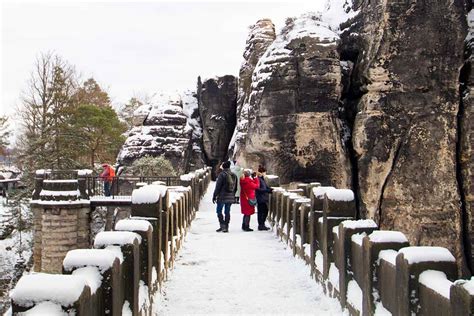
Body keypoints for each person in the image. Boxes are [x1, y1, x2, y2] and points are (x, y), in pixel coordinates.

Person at [212, 161, 238, 233]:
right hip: (230, 197)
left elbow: (218, 187)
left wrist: (214, 196)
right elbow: (236, 187)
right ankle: (226, 226)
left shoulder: (222, 175)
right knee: (227, 212)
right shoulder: (234, 175)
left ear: (223, 167)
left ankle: (222, 225)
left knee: (219, 211)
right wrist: (232, 195)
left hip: (222, 197)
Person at [255, 165, 273, 231]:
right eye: (264, 172)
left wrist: (269, 189)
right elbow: (258, 189)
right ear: (262, 172)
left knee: (265, 210)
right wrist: (267, 190)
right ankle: (261, 225)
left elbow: (265, 186)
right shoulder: (258, 179)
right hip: (260, 197)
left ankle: (262, 224)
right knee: (262, 211)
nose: (265, 174)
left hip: (263, 197)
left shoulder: (262, 179)